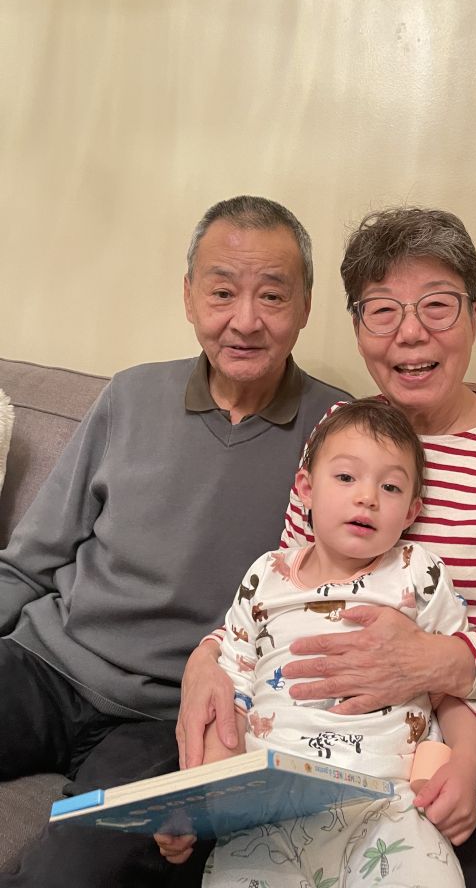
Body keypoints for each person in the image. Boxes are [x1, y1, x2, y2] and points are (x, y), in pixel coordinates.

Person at [178, 206, 476, 888]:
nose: (411, 333)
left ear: (474, 315)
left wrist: (443, 663)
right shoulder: (339, 434)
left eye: (437, 305)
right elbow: (287, 588)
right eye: (382, 310)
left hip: (473, 784)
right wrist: (207, 658)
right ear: (359, 329)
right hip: (309, 769)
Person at [0, 195, 350, 888]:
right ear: (189, 296)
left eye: (272, 295)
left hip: (169, 718)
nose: (244, 320)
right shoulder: (130, 396)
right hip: (45, 663)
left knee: (74, 874)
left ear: (306, 306)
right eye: (222, 292)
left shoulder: (340, 435)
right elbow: (29, 560)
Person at [157, 399, 476, 887]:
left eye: (391, 487)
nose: (367, 498)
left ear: (411, 511)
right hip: (266, 816)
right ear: (306, 489)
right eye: (346, 477)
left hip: (388, 809)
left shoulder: (417, 572)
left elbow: (458, 687)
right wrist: (200, 801)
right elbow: (229, 699)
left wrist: (465, 768)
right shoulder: (265, 576)